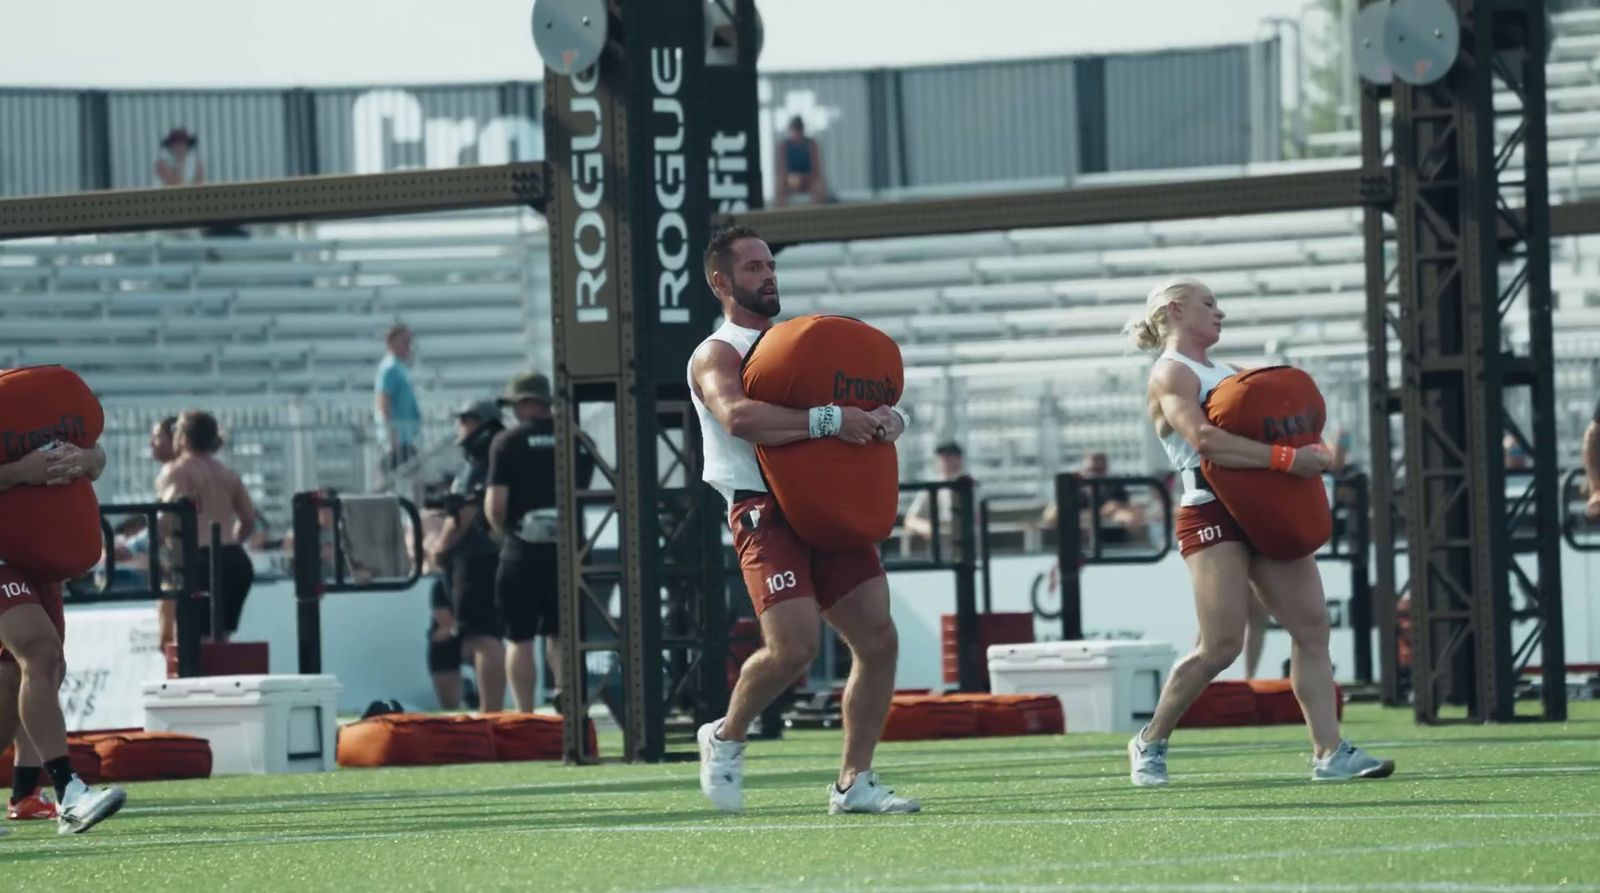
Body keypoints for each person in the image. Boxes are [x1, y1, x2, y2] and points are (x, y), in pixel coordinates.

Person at [1123, 276, 1394, 785]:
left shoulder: (1231, 373)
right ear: (1177, 309)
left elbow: (1286, 419)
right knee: (1221, 645)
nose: (1220, 313)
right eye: (1209, 304)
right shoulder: (1169, 373)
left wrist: (1316, 446)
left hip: (1266, 503)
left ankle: (1329, 752)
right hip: (1210, 509)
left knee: (1312, 628)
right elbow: (1206, 441)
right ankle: (1150, 741)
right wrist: (1291, 459)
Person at [688, 225, 918, 815]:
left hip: (830, 497)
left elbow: (864, 405)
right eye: (752, 268)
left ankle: (854, 782)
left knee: (879, 638)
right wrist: (829, 421)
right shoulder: (717, 352)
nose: (768, 275)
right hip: (763, 508)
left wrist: (892, 421)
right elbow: (738, 417)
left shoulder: (802, 342)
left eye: (770, 265)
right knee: (792, 648)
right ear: (721, 281)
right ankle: (726, 735)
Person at [0, 439, 127, 834]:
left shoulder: (27, 400)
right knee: (40, 652)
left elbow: (98, 456)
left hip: (37, 557)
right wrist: (23, 471)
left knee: (24, 676)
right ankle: (70, 793)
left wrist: (85, 458)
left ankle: (33, 792)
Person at [484, 373, 594, 713]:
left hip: (523, 547)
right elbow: (584, 492)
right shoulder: (578, 438)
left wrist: (503, 533)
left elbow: (496, 505)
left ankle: (526, 714)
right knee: (562, 633)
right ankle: (567, 699)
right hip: (569, 548)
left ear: (524, 403)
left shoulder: (508, 441)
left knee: (520, 638)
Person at [427, 400, 507, 714]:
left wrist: (441, 546)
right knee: (480, 637)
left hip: (477, 558)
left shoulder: (481, 459)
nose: (459, 427)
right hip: (486, 555)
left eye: (465, 420)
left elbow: (466, 510)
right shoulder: (490, 456)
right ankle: (493, 712)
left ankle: (491, 715)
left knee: (481, 639)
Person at [160, 411, 257, 642]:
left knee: (193, 641)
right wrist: (231, 542)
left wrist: (163, 550)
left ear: (182, 437)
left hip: (199, 561)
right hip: (234, 560)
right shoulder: (227, 474)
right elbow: (248, 520)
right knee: (220, 639)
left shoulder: (179, 471)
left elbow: (165, 517)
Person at [903, 442, 973, 556]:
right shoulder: (932, 488)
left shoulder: (970, 486)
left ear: (960, 460)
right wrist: (930, 529)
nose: (946, 461)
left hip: (966, 548)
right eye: (943, 457)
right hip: (941, 549)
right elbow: (910, 520)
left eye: (950, 457)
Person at [375, 324, 422, 485]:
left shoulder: (399, 367)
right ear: (392, 343)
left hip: (405, 436)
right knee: (392, 479)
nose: (409, 346)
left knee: (412, 476)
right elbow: (383, 400)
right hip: (397, 437)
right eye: (405, 341)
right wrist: (391, 434)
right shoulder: (389, 368)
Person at [774, 116, 829, 207]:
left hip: (809, 179)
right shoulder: (784, 146)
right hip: (790, 180)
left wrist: (803, 178)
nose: (797, 133)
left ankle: (817, 215)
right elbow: (781, 169)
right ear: (790, 130)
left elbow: (817, 169)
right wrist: (790, 178)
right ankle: (781, 216)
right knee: (780, 187)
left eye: (799, 129)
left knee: (820, 186)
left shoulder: (811, 144)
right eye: (794, 129)